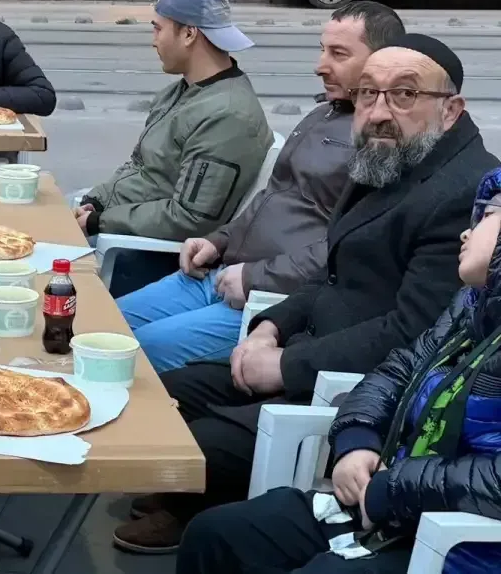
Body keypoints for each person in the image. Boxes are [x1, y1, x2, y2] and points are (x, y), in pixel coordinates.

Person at [113, 34, 500, 556]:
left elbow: (408, 332)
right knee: (169, 389)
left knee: (201, 437)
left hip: (343, 384)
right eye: (368, 94)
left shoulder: (462, 195)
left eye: (404, 95)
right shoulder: (389, 158)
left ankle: (199, 509)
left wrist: (286, 365)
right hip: (311, 348)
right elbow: (331, 271)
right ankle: (191, 501)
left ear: (450, 110)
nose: (380, 111)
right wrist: (269, 327)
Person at [177, 166, 501, 574]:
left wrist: (392, 488)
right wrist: (357, 439)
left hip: (461, 544)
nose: (466, 232)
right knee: (219, 534)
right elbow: (397, 370)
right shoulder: (471, 307)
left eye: (487, 216)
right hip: (391, 509)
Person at [118, 1, 405, 373]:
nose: (320, 65)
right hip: (220, 272)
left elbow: (348, 247)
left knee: (140, 352)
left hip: (270, 301)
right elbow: (271, 196)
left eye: (338, 54)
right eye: (322, 50)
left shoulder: (383, 142)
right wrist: (217, 240)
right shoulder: (323, 113)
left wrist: (255, 277)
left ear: (382, 62)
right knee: (110, 322)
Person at [77, 0, 272, 296]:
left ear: (189, 34)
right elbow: (140, 166)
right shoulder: (181, 92)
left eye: (157, 29)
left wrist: (102, 221)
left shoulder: (227, 115)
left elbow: (190, 219)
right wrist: (95, 201)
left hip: (154, 256)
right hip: (132, 227)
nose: (153, 40)